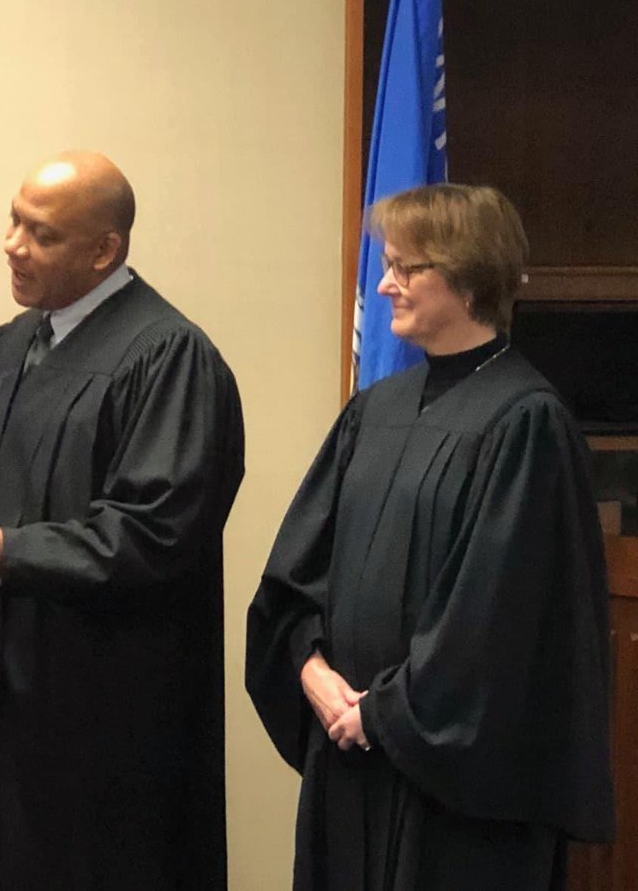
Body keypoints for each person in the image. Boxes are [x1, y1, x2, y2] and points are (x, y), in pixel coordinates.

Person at [246, 183, 614, 890]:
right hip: (348, 759)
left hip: (452, 795)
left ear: (468, 276)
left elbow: (498, 624)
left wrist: (383, 715)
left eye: (405, 268)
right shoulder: (374, 411)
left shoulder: (524, 422)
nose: (384, 285)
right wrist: (310, 669)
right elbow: (298, 569)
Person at [0, 151, 244, 890]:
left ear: (104, 250)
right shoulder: (11, 347)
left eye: (42, 234)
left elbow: (157, 532)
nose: (12, 246)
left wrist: (13, 553)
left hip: (109, 718)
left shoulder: (168, 357)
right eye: (14, 222)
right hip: (8, 698)